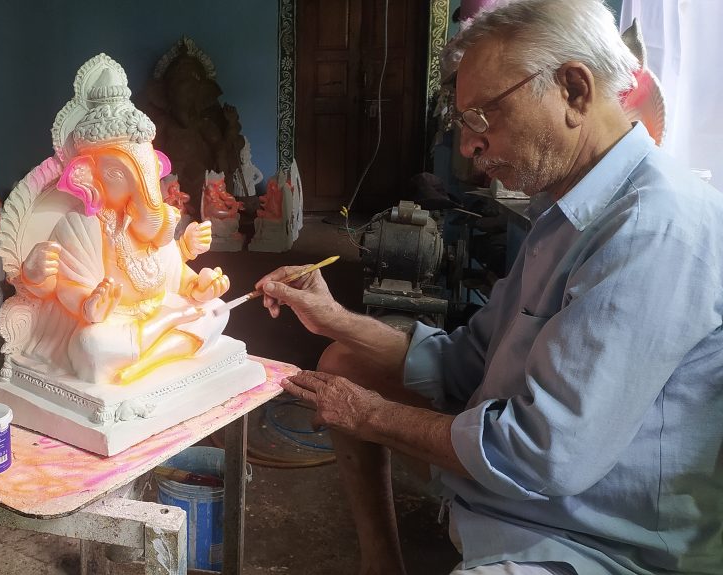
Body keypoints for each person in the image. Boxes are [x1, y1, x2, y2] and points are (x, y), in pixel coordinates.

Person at [256, 1, 723, 574]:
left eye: (484, 117)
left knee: (356, 399)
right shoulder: (563, 215)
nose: (471, 147)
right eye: (465, 122)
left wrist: (370, 415)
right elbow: (465, 361)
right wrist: (333, 318)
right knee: (344, 360)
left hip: (591, 541)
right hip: (520, 497)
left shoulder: (656, 229)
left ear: (574, 90)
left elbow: (542, 455)